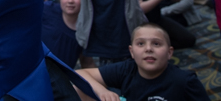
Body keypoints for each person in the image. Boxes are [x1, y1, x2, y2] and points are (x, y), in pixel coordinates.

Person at [76, 23, 209, 101]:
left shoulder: (185, 81)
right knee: (77, 87)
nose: (148, 49)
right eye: (140, 44)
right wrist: (102, 91)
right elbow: (78, 75)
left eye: (156, 44)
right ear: (132, 52)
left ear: (169, 52)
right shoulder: (127, 69)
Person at [41, 0, 84, 68]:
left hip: (61, 78)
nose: (70, 0)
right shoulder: (47, 9)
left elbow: (87, 62)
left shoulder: (85, 28)